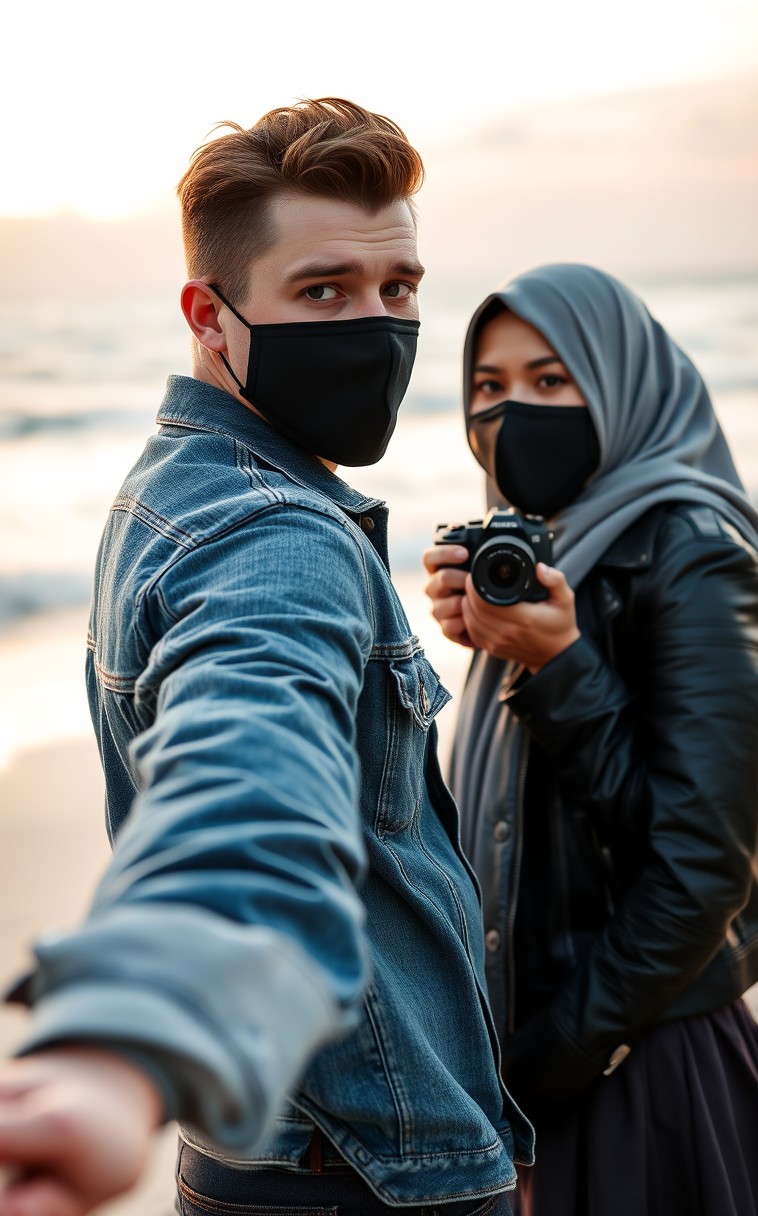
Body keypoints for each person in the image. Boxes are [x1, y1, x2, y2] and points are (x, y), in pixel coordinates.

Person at [0, 100, 532, 1216]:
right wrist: (135, 1029)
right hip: (364, 1174)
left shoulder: (169, 487)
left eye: (401, 290)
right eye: (323, 291)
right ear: (209, 313)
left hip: (259, 1151)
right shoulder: (272, 535)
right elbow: (251, 773)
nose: (379, 326)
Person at [424, 263, 758, 1216]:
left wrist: (558, 665)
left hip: (628, 1066)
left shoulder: (693, 552)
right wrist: (497, 643)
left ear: (619, 381)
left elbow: (696, 870)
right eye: (489, 388)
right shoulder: (543, 548)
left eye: (551, 381)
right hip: (531, 1062)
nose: (513, 412)